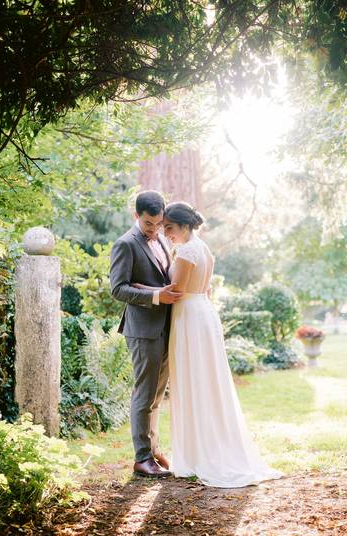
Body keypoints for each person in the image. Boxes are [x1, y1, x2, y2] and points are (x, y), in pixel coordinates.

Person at [160, 201, 283, 488]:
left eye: (170, 228)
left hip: (189, 315)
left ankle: (199, 453)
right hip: (203, 312)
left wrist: (146, 289)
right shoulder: (204, 249)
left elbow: (175, 290)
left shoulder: (187, 251)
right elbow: (204, 287)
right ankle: (203, 446)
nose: (166, 233)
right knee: (207, 379)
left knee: (194, 380)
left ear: (183, 226)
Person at [109, 190, 181, 478]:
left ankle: (153, 450)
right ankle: (141, 458)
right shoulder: (125, 244)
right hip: (142, 330)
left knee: (156, 395)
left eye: (158, 223)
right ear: (135, 215)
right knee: (144, 393)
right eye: (148, 223)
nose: (154, 229)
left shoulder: (162, 238)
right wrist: (155, 297)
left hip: (164, 326)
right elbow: (118, 288)